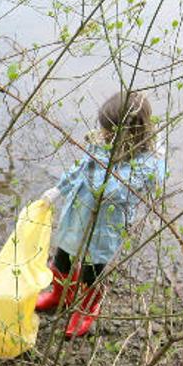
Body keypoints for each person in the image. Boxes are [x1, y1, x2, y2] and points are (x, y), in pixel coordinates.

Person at [35, 91, 166, 337]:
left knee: (91, 269)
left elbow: (106, 191)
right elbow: (81, 167)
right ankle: (60, 295)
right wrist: (58, 190)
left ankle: (86, 309)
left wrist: (100, 153)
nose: (103, 133)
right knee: (62, 257)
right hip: (77, 214)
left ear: (129, 133)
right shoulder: (104, 145)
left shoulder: (147, 163)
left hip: (106, 226)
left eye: (108, 130)